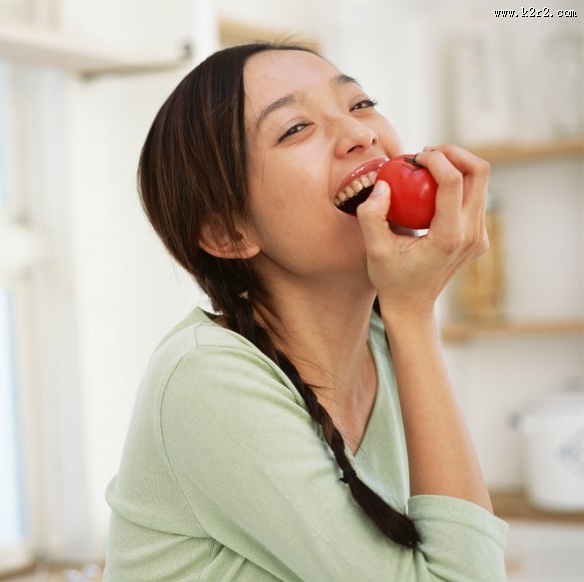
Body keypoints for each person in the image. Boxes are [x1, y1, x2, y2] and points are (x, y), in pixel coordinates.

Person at [104, 41, 508, 581]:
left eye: (360, 104)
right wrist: (415, 313)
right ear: (228, 230)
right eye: (295, 128)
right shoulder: (206, 378)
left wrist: (409, 317)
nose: (361, 133)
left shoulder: (382, 344)